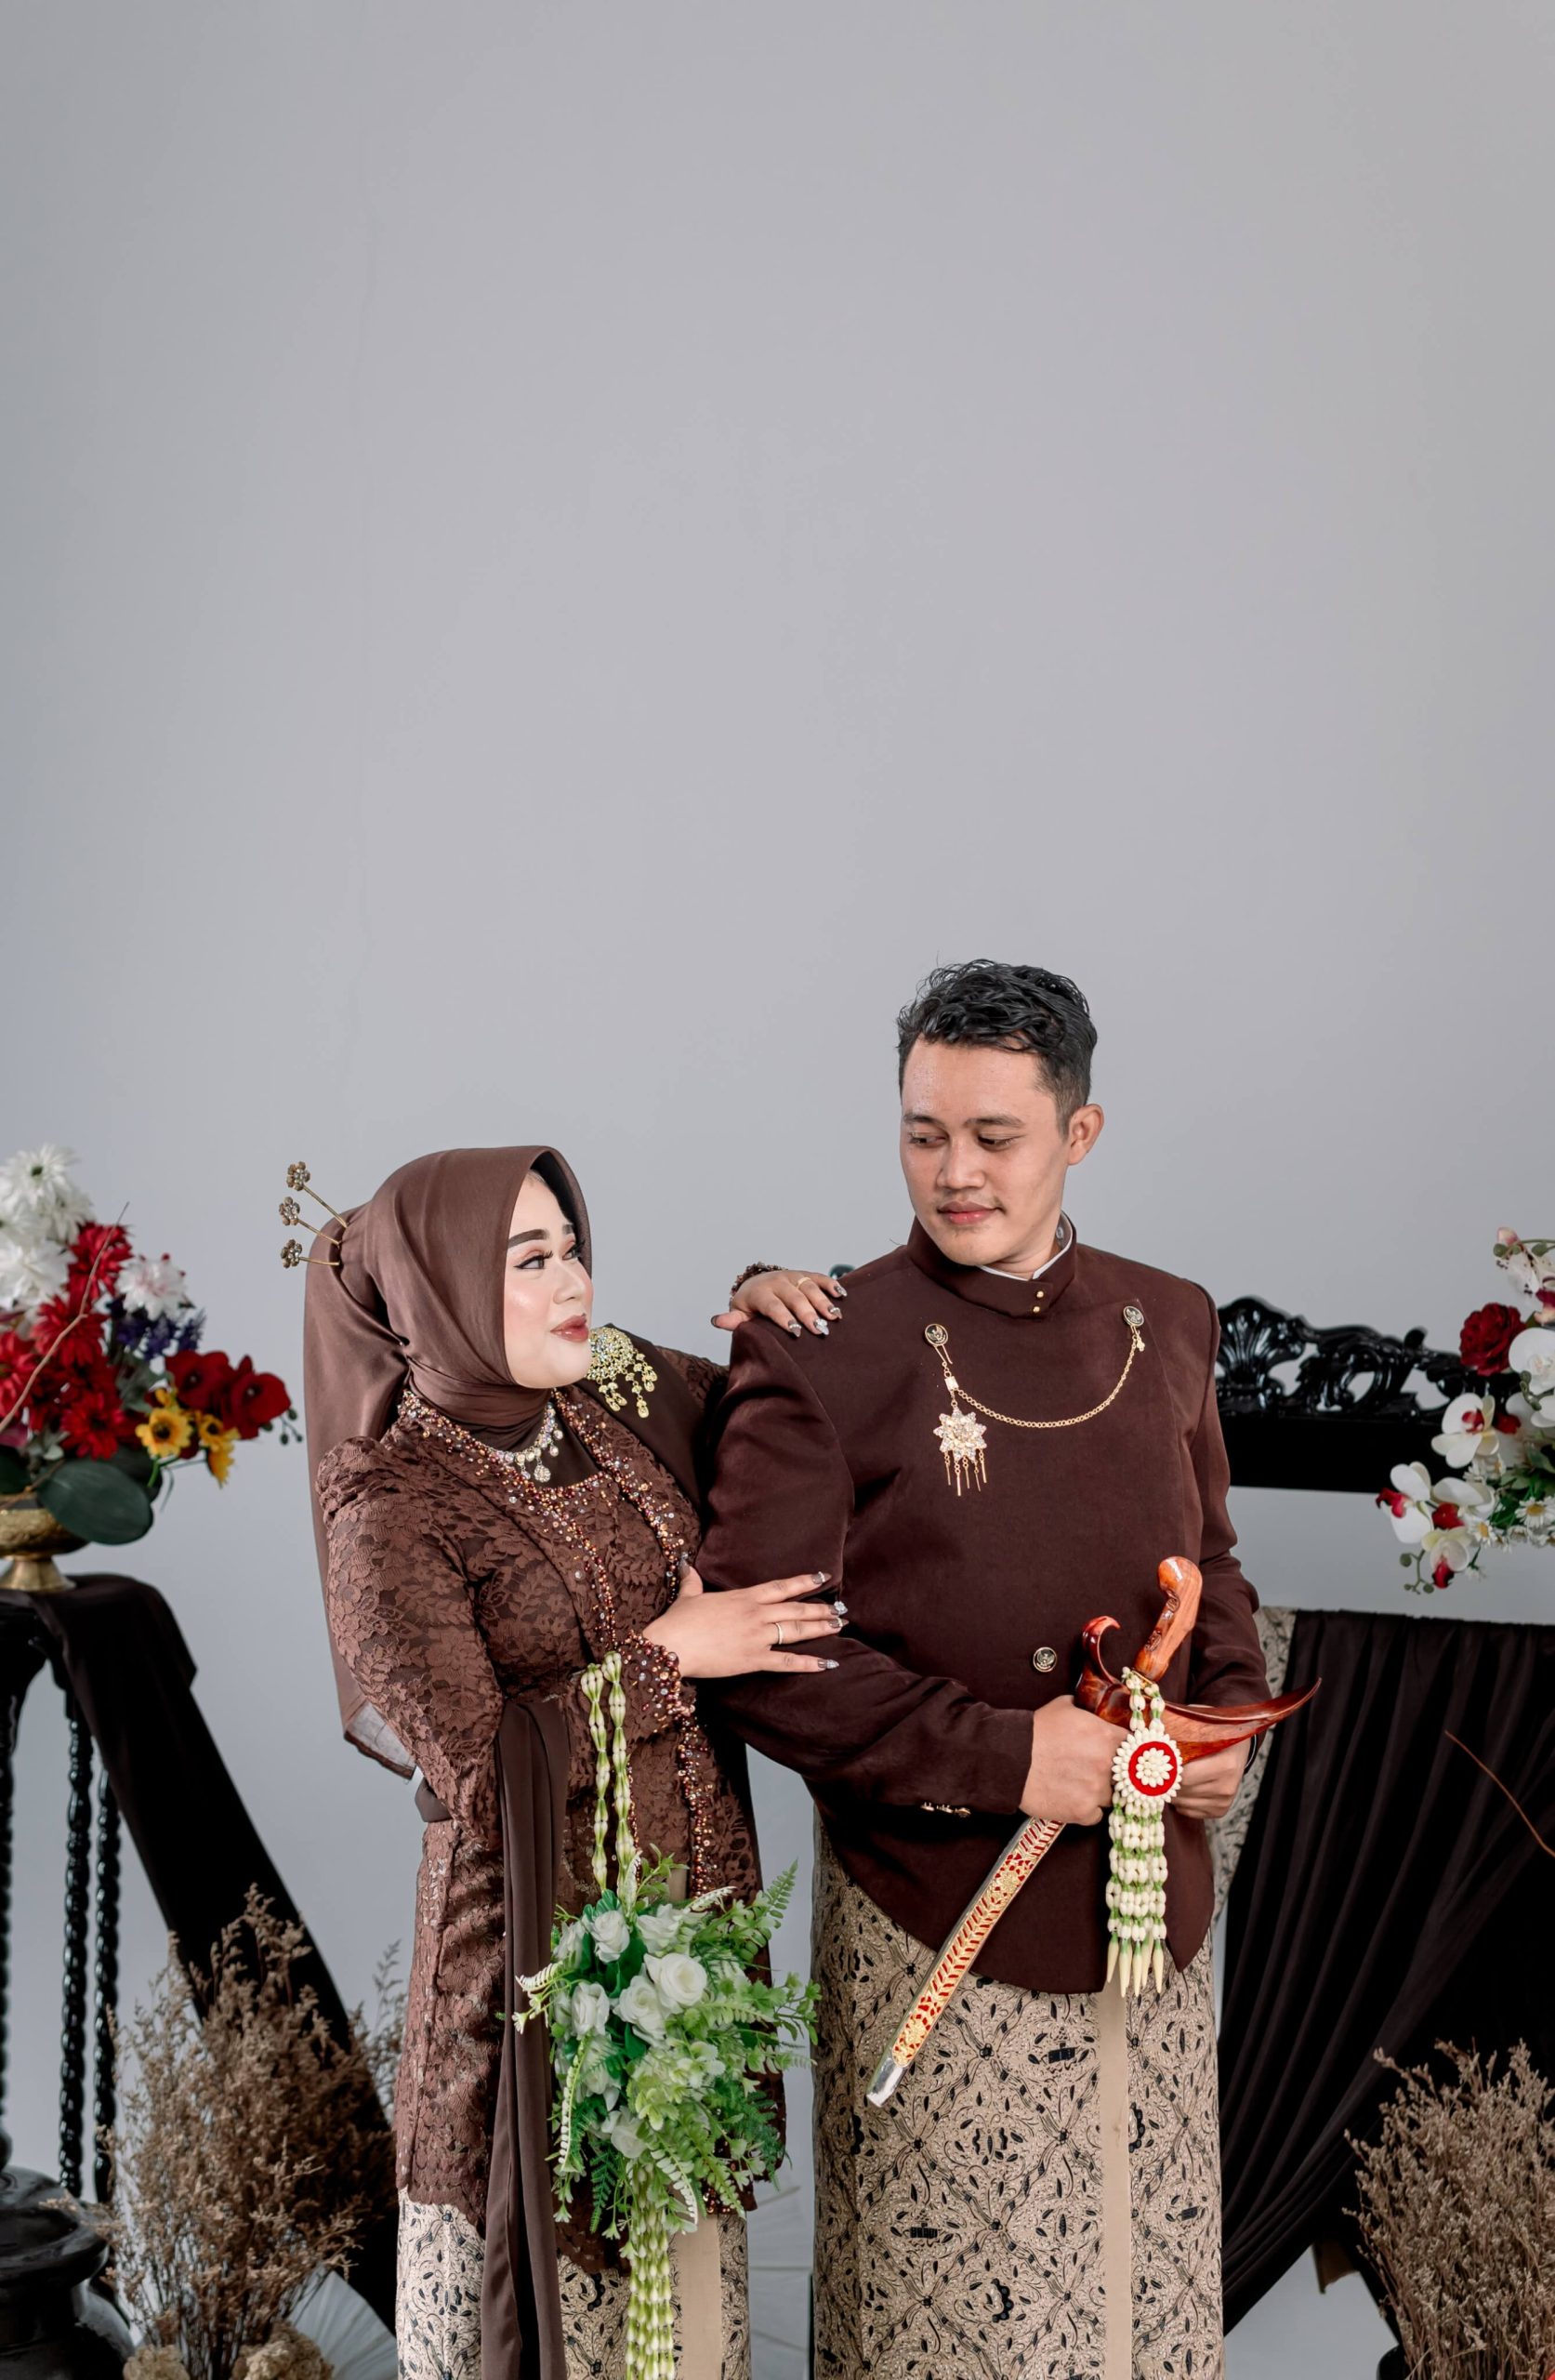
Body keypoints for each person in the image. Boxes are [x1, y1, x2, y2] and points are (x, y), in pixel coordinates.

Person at [698, 962, 1268, 2380]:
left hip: (1150, 1912)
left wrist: (1225, 1722)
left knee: (1142, 2319)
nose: (953, 1173)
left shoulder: (1170, 1317)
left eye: (994, 1137)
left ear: (1078, 1133)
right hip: (934, 1909)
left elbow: (1212, 1564)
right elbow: (765, 1657)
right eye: (922, 1133)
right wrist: (1008, 1756)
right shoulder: (819, 1345)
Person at [302, 1143, 845, 2380]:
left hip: (696, 1975)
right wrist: (671, 1657)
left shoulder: (613, 1391)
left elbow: (765, 1407)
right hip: (532, 1987)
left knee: (692, 2338)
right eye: (528, 1260)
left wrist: (765, 1300)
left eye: (573, 1247)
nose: (574, 1284)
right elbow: (478, 1771)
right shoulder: (386, 1502)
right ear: (440, 1291)